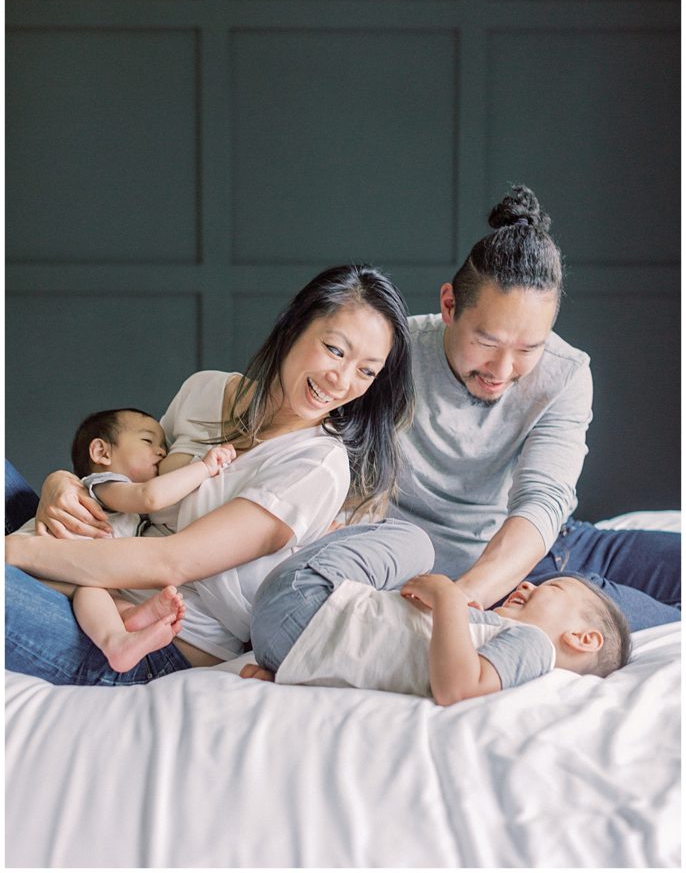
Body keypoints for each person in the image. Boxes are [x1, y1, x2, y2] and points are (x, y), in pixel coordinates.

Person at [5, 263, 415, 685]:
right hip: (94, 587)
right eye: (335, 349)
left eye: (367, 371)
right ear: (295, 325)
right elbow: (133, 479)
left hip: (158, 647)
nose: (342, 380)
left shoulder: (316, 468)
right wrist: (64, 482)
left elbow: (173, 562)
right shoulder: (204, 390)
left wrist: (14, 553)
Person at [378, 186, 679, 631]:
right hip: (433, 570)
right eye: (487, 342)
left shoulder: (566, 372)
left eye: (528, 348)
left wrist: (465, 598)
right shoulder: (386, 354)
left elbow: (543, 500)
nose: (502, 369)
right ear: (449, 305)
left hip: (537, 552)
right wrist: (454, 599)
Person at [238, 522, 632, 705]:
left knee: (414, 543)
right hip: (288, 649)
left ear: (583, 638)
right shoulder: (504, 651)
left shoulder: (535, 646)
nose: (527, 584)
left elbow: (457, 689)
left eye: (553, 587)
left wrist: (448, 598)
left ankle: (323, 528)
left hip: (303, 602)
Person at [20, 407, 235, 672]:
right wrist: (204, 467)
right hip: (36, 562)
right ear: (102, 453)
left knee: (96, 590)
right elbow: (150, 496)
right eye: (148, 441)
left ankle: (126, 625)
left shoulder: (129, 514)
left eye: (163, 446)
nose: (161, 452)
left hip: (69, 574)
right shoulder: (103, 485)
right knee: (93, 587)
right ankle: (117, 638)